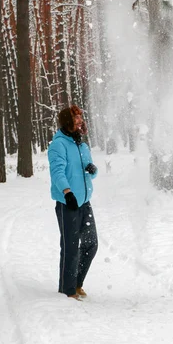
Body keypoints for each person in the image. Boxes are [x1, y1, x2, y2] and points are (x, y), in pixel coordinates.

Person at [48, 105, 98, 300]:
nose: (79, 121)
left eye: (80, 118)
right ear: (67, 122)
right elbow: (57, 172)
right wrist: (67, 192)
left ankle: (77, 283)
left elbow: (89, 173)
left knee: (91, 244)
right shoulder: (58, 145)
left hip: (84, 202)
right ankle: (67, 289)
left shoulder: (82, 145)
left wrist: (93, 170)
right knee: (70, 246)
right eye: (76, 118)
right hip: (67, 202)